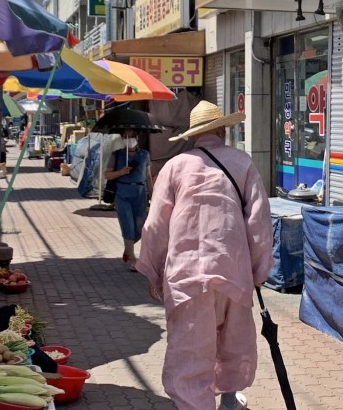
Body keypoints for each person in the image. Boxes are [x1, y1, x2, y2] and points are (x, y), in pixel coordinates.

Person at [136, 102, 273, 410]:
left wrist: (153, 270)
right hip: (233, 269)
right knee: (233, 340)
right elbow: (259, 222)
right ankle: (229, 399)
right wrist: (258, 271)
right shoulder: (242, 163)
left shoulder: (175, 166)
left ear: (194, 135)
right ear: (222, 130)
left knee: (190, 349)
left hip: (186, 275)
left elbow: (157, 223)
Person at [104, 130, 153, 270]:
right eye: (125, 137)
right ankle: (133, 259)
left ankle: (128, 249)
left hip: (140, 193)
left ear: (137, 137)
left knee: (140, 226)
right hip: (123, 194)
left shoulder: (144, 155)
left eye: (131, 136)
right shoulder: (117, 154)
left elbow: (148, 177)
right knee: (128, 225)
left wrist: (153, 195)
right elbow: (107, 175)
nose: (129, 139)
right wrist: (121, 172)